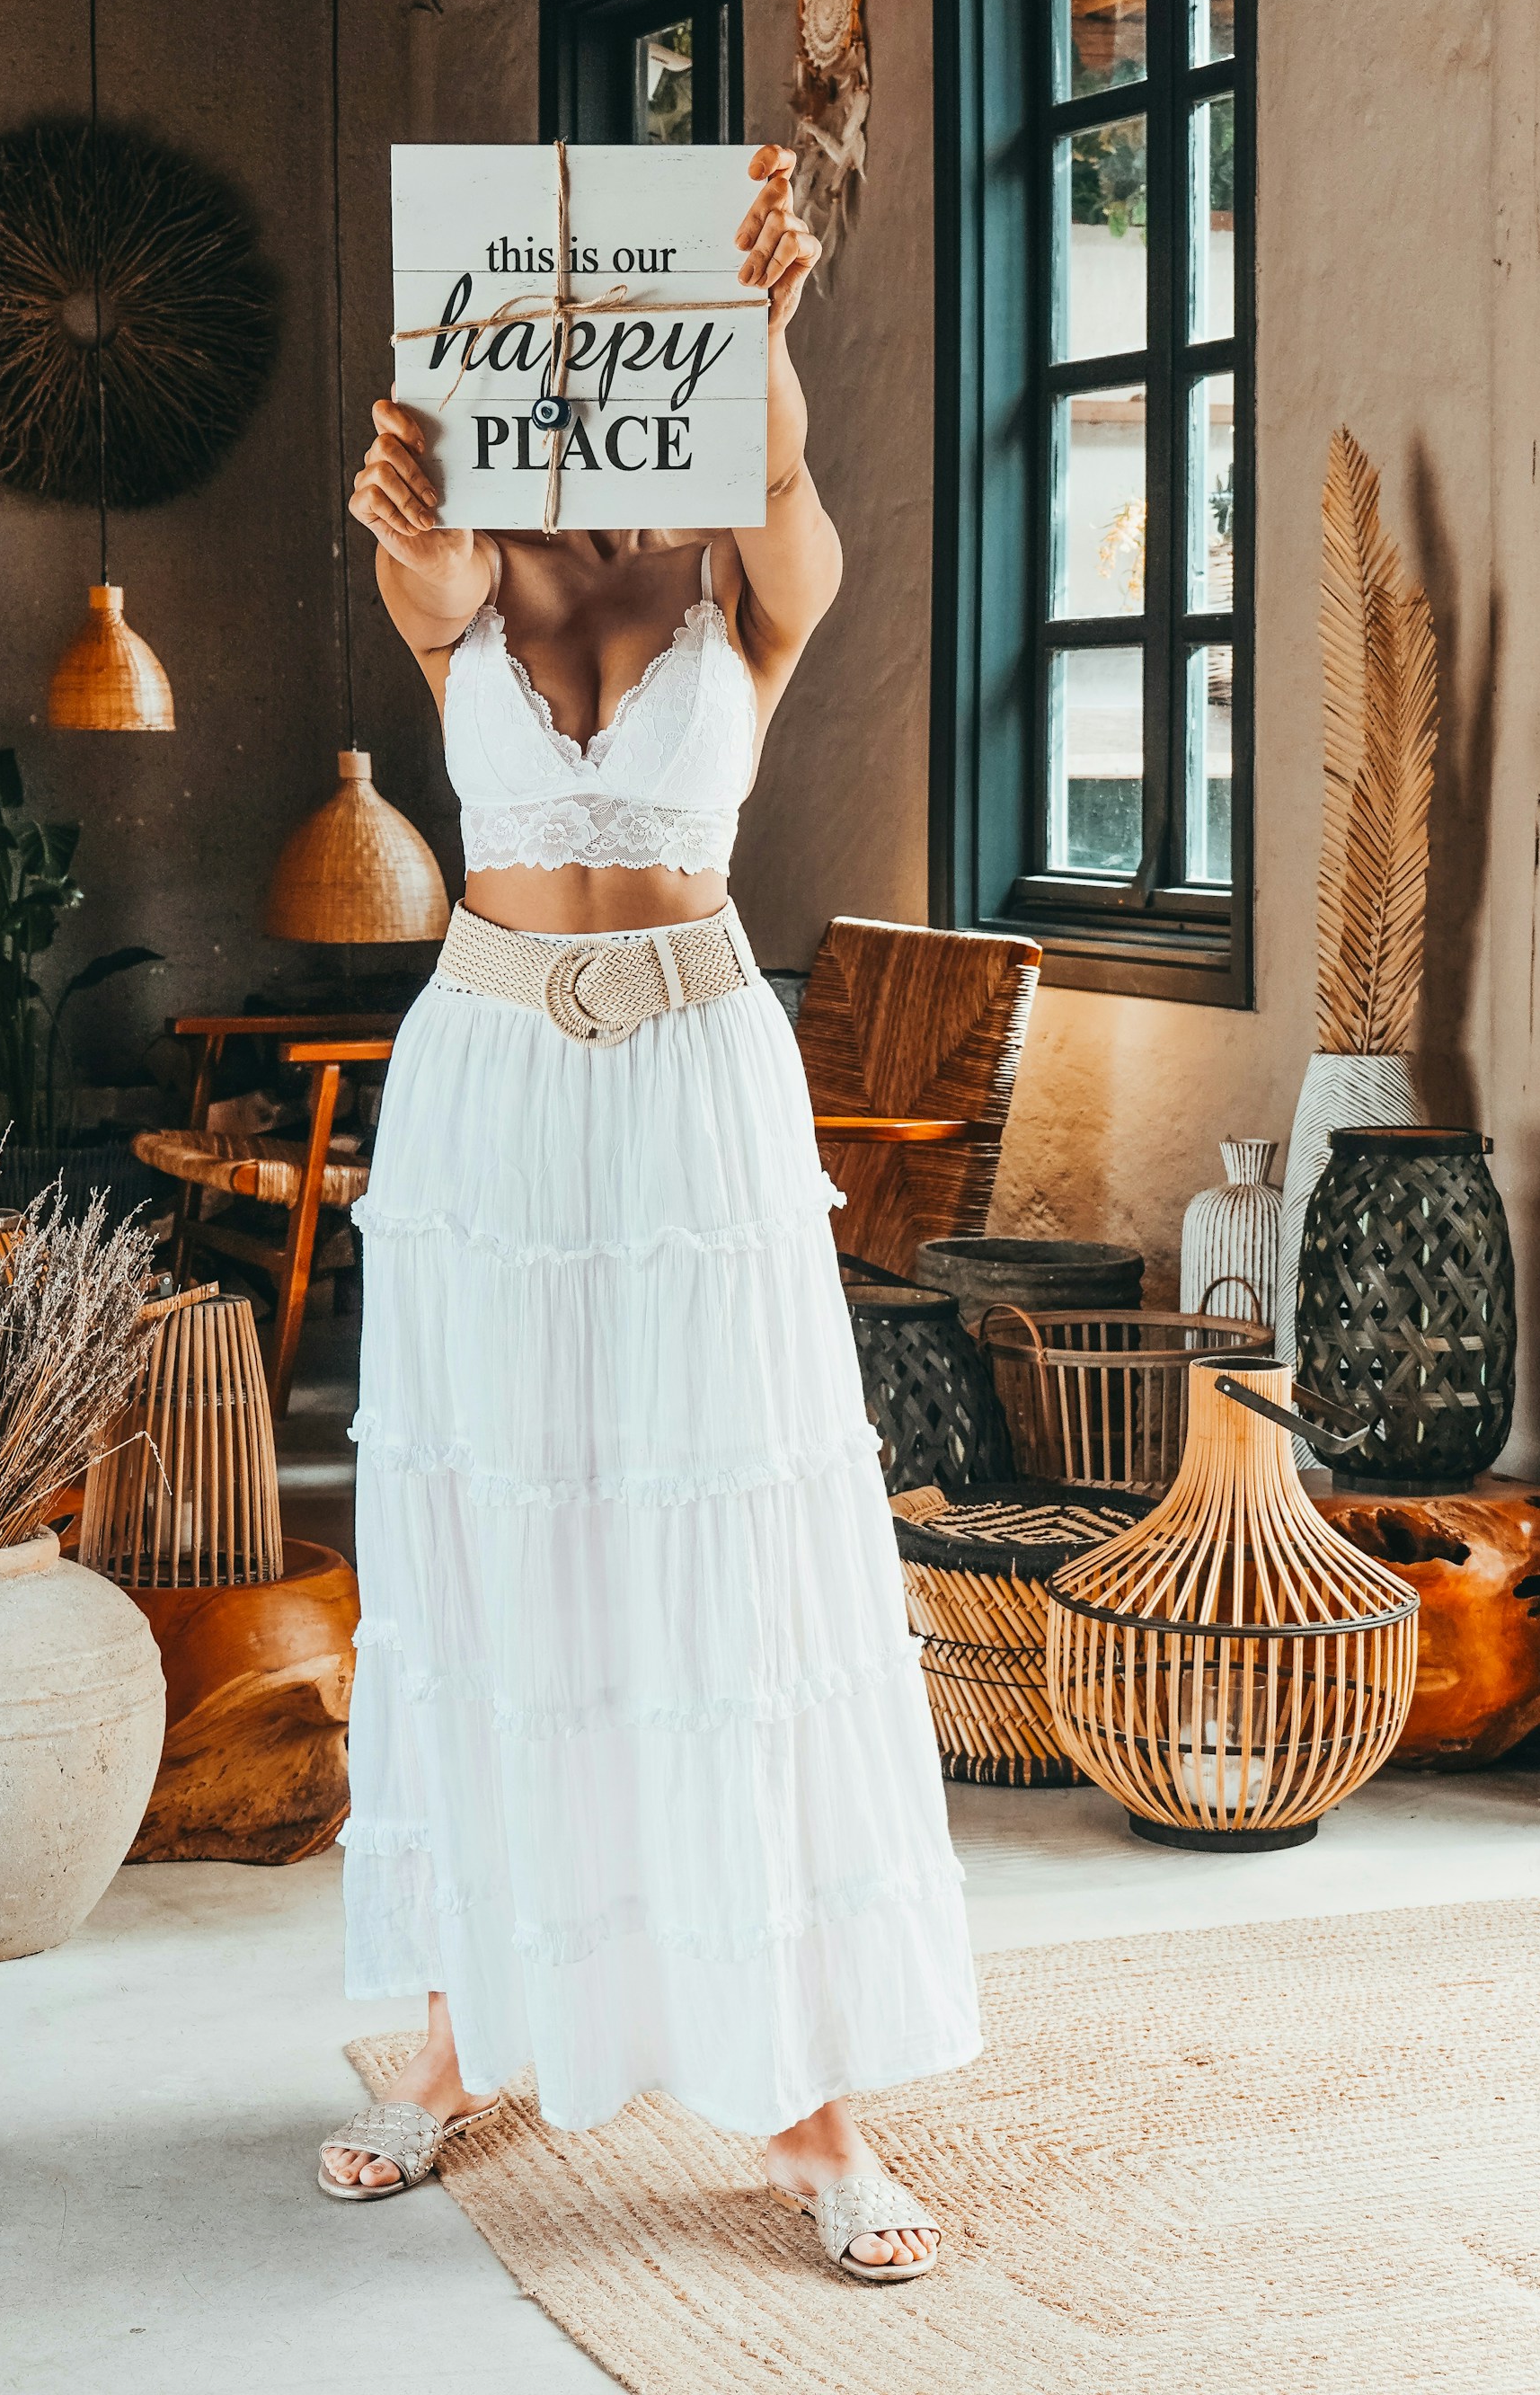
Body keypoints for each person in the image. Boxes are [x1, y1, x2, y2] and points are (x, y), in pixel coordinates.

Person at [317, 146, 979, 2283]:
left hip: (696, 1066)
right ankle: (434, 2036)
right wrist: (405, 483)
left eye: (652, 341)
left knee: (738, 1535)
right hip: (496, 1073)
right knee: (487, 1521)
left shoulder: (754, 575)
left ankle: (805, 2100)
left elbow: (785, 481)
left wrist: (767, 321)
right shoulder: (461, 568)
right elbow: (414, 545)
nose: (610, 371)